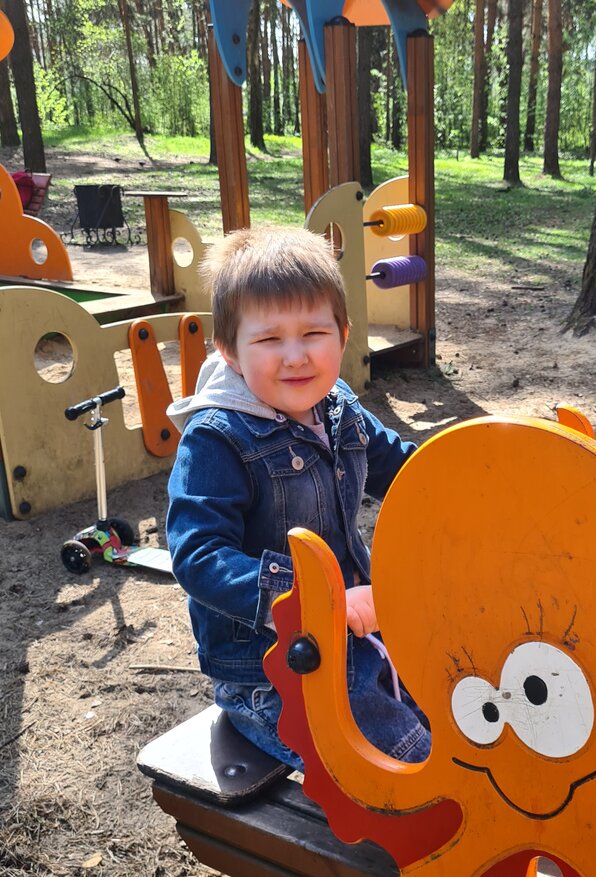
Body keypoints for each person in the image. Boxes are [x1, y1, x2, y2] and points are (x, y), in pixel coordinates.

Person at [166, 226, 429, 771]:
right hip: (271, 670)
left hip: (353, 633)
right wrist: (318, 599)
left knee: (452, 676)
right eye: (268, 340)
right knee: (388, 743)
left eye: (313, 333)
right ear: (230, 352)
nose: (295, 357)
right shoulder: (218, 437)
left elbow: (408, 472)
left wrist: (477, 480)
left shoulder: (339, 409)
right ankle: (427, 805)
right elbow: (200, 556)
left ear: (343, 333)